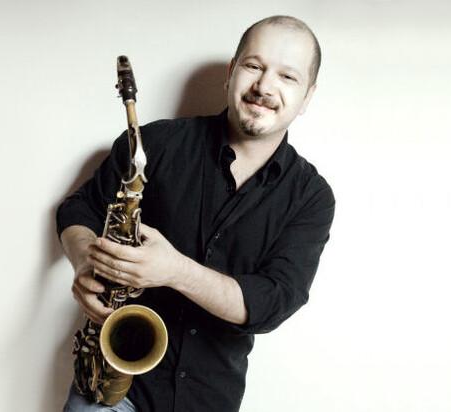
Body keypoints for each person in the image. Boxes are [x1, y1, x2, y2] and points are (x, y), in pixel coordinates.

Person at [57, 15, 335, 412]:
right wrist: (86, 260)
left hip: (208, 400)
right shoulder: (155, 144)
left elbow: (273, 301)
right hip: (108, 387)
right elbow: (79, 208)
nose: (264, 86)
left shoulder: (311, 197)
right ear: (231, 72)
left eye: (287, 77)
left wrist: (175, 271)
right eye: (253, 66)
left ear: (307, 96)